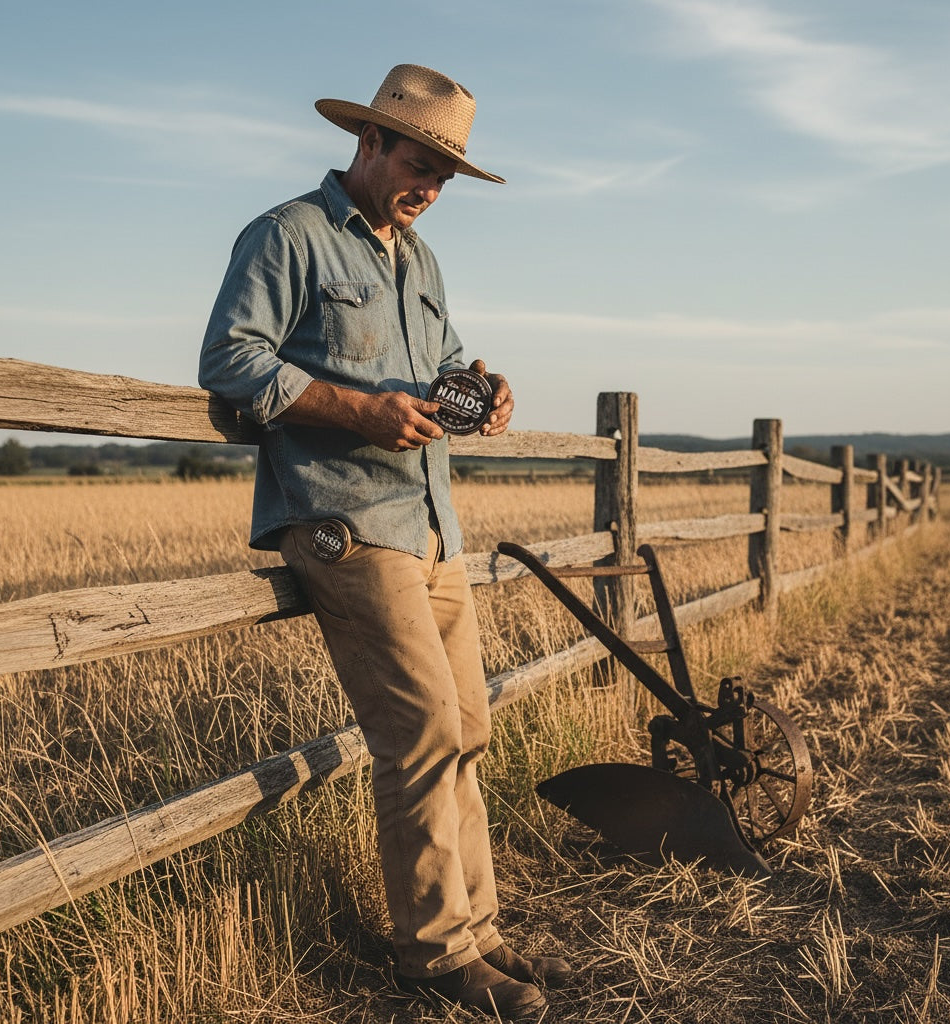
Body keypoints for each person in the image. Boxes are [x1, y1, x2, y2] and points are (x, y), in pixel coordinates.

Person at [199, 64, 569, 1019]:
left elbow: (438, 363)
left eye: (446, 176)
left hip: (432, 523)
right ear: (367, 144)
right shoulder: (288, 235)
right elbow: (231, 358)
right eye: (419, 163)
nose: (432, 189)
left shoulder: (419, 257)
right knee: (421, 733)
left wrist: (478, 386)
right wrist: (355, 409)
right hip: (344, 522)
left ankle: (479, 931)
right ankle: (434, 955)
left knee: (470, 729)